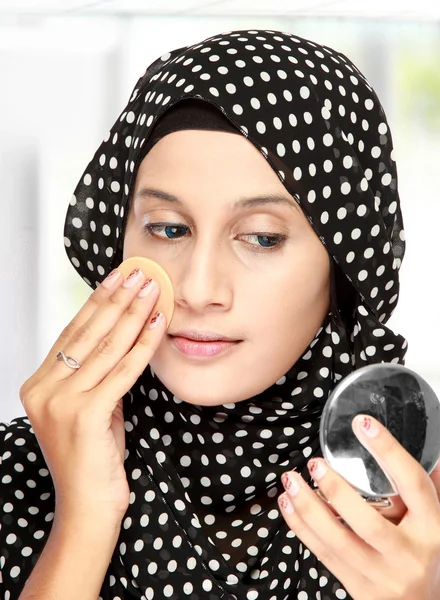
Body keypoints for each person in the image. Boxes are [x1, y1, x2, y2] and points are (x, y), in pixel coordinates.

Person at [1, 28, 439, 600]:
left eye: (261, 238)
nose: (198, 289)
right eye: (168, 229)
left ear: (341, 266)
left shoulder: (417, 504)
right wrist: (83, 517)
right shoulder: (19, 476)